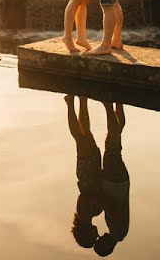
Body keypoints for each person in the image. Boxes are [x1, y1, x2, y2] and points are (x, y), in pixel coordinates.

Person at [65, 95, 104, 249]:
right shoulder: (92, 213)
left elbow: (87, 196)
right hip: (90, 173)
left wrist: (101, 202)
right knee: (85, 133)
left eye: (94, 236)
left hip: (87, 175)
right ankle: (82, 100)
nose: (97, 234)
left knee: (80, 138)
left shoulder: (84, 214)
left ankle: (70, 103)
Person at [94, 102, 130, 257]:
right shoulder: (117, 230)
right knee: (111, 144)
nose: (100, 236)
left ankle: (118, 103)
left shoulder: (120, 232)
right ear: (106, 245)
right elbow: (113, 206)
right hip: (114, 181)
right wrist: (98, 198)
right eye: (100, 240)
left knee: (115, 138)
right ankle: (109, 105)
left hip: (120, 181)